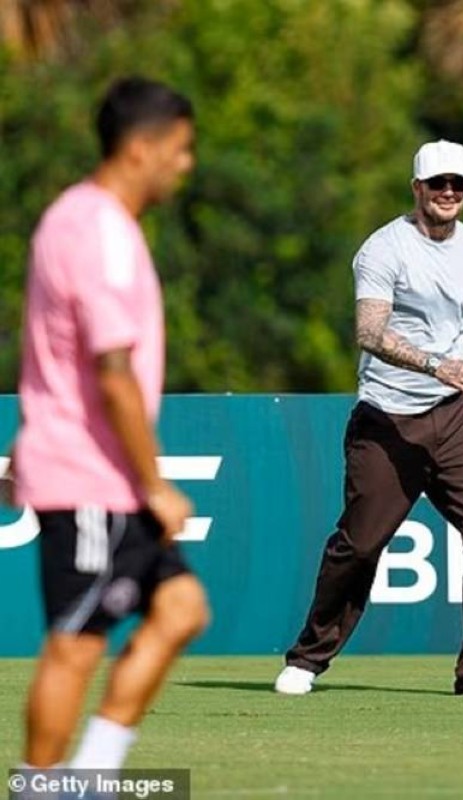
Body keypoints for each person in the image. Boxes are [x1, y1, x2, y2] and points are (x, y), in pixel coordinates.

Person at [2, 76, 209, 772]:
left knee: (181, 609)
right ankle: (42, 787)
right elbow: (112, 369)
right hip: (92, 477)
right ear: (141, 149)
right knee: (76, 644)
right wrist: (155, 485)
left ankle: (89, 777)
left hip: (103, 475)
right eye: (180, 149)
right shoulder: (100, 232)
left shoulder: (83, 220)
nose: (186, 164)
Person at [275, 140, 463, 698]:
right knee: (360, 544)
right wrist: (440, 366)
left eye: (458, 184)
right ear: (417, 188)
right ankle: (308, 658)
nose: (448, 193)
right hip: (387, 418)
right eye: (437, 183)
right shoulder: (383, 250)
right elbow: (369, 332)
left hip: (456, 417)